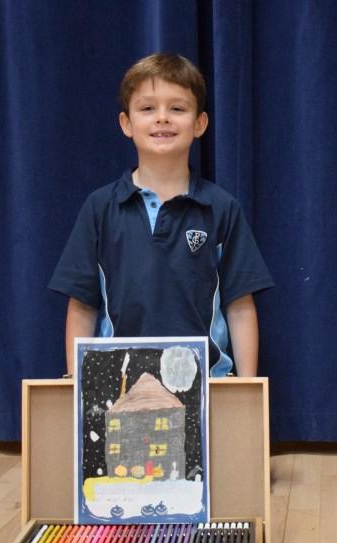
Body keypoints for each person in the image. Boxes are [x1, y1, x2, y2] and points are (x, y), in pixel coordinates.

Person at [49, 53, 273, 377]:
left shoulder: (222, 208)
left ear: (200, 124)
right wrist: (78, 383)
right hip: (118, 386)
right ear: (126, 123)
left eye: (177, 108)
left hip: (207, 384)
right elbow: (83, 305)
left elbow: (239, 307)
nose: (163, 118)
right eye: (148, 108)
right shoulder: (100, 208)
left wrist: (248, 390)